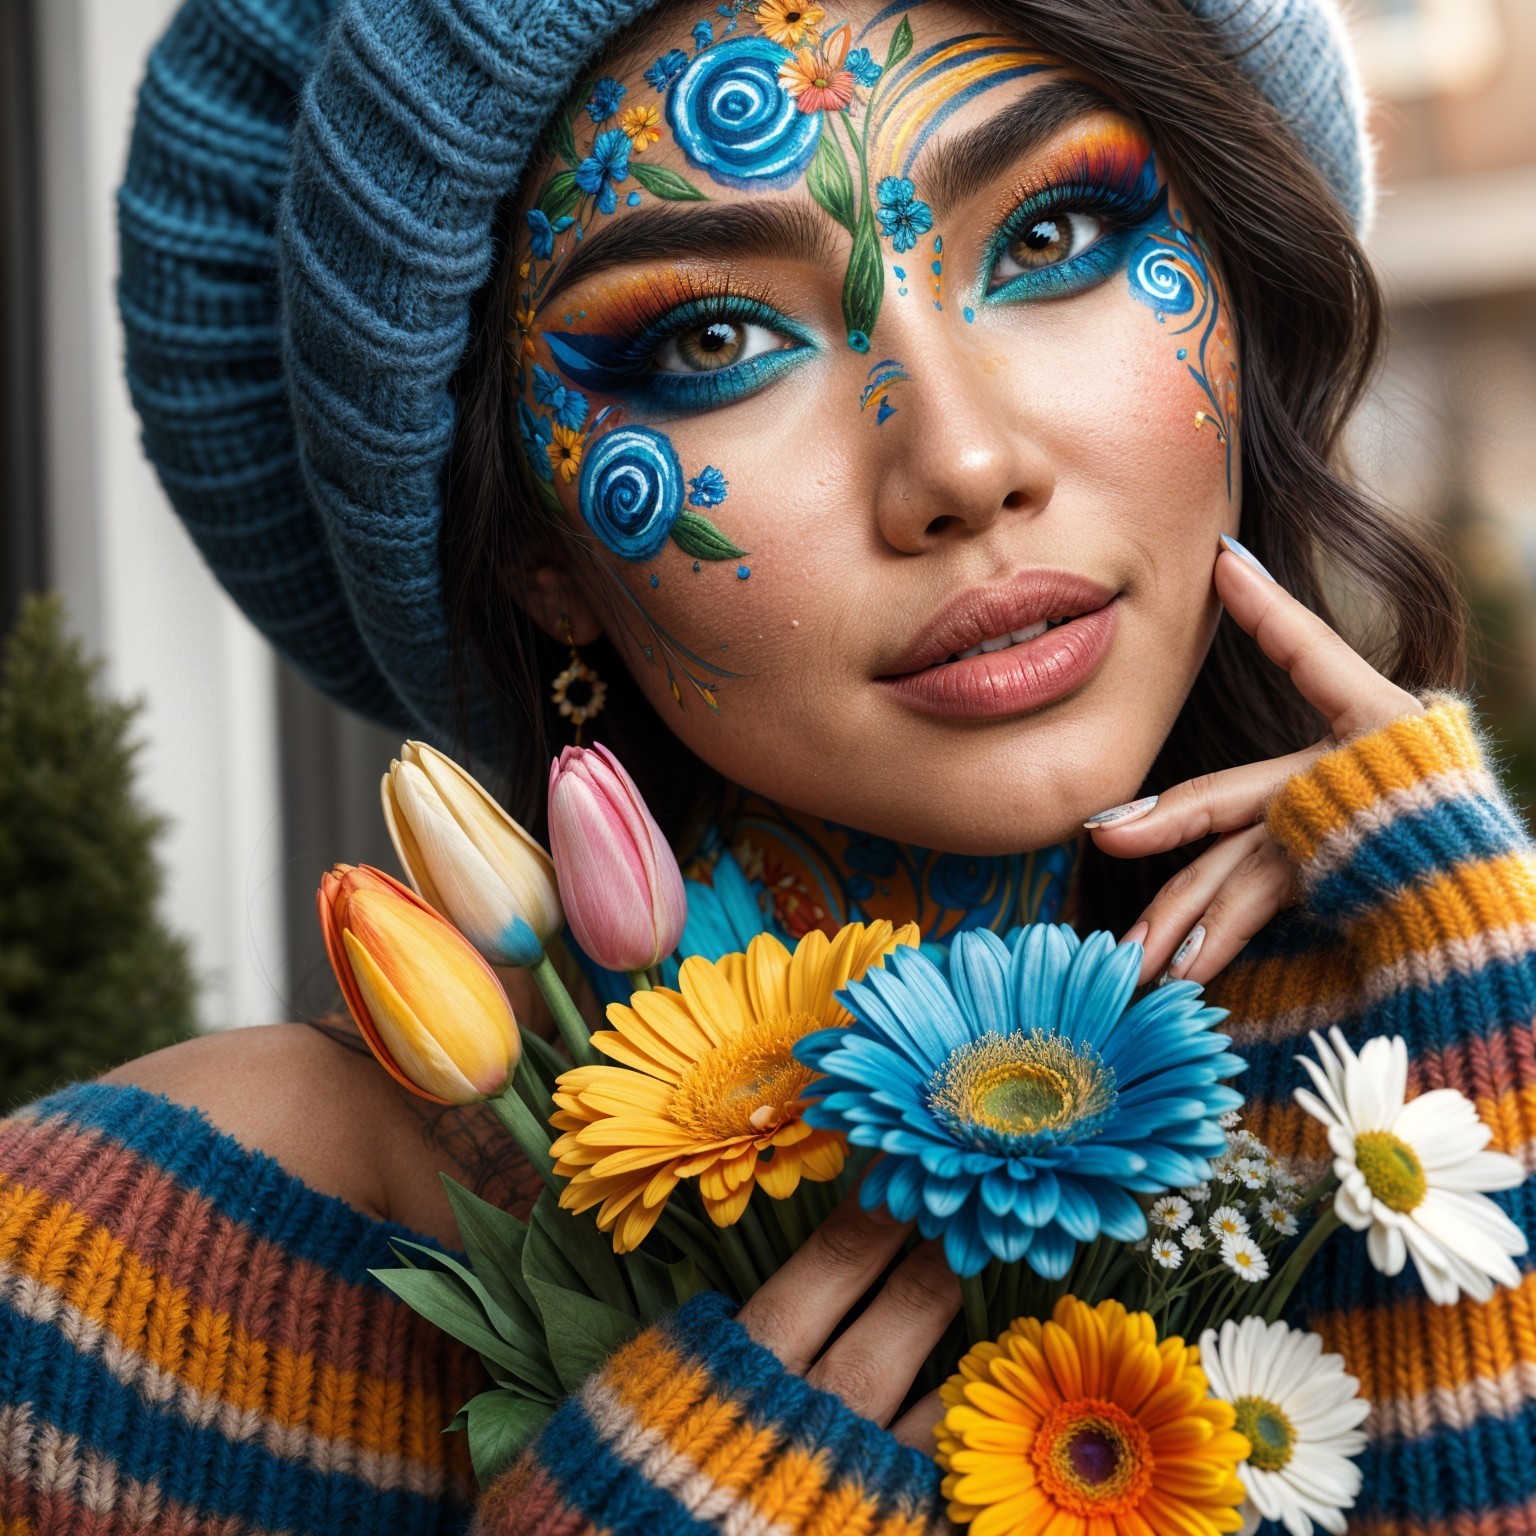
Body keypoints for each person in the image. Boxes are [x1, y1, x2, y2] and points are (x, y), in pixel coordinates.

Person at [2, 0, 1533, 1531]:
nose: (962, 463)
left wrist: (1490, 1049)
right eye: (713, 339)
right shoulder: (147, 1254)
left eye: (1057, 231)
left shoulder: (1440, 1036)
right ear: (540, 557)